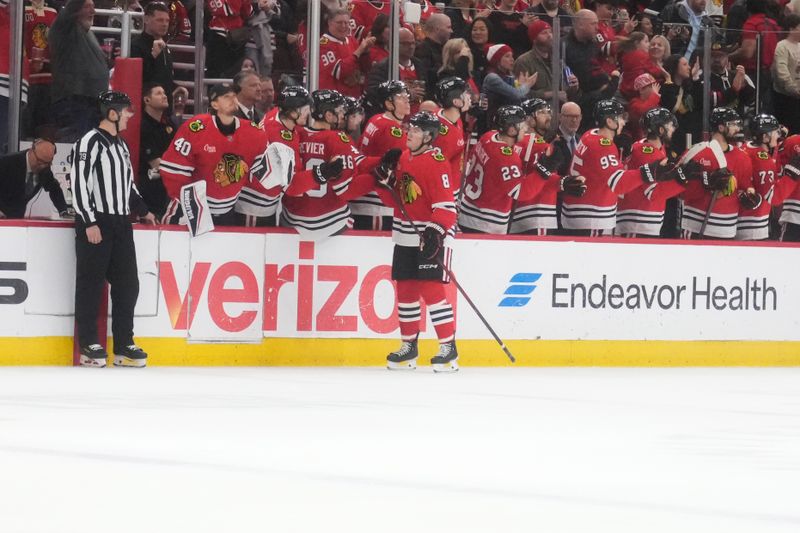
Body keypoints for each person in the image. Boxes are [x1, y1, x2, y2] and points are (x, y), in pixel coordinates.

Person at [71, 91, 156, 368]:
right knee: (91, 284)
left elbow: (128, 184)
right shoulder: (89, 142)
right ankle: (88, 344)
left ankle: (123, 344)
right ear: (112, 113)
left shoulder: (121, 146)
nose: (130, 115)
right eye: (126, 111)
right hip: (98, 221)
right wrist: (88, 221)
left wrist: (143, 210)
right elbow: (79, 182)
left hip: (121, 223)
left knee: (128, 285)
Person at [372, 112, 459, 372]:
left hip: (430, 235)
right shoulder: (405, 157)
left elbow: (447, 207)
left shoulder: (436, 161)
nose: (409, 133)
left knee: (432, 292)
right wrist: (385, 185)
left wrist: (435, 232)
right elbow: (400, 200)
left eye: (416, 130)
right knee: (407, 290)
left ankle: (448, 347)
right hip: (405, 234)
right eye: (409, 128)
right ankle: (409, 346)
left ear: (429, 136)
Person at [562, 99, 690, 236]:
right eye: (621, 118)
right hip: (593, 218)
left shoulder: (590, 135)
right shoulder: (603, 146)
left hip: (586, 214)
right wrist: (674, 177)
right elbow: (619, 184)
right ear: (610, 122)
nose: (624, 122)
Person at [459, 105, 583, 234]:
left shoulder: (488, 137)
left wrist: (559, 181)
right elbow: (520, 192)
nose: (525, 128)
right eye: (522, 125)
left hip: (468, 212)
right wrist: (544, 170)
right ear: (512, 130)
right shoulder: (505, 156)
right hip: (485, 222)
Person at [159, 83, 269, 226]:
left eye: (234, 96)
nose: (232, 99)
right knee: (174, 245)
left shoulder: (254, 132)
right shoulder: (196, 128)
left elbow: (262, 173)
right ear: (215, 105)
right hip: (191, 207)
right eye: (226, 96)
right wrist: (189, 206)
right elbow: (173, 171)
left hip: (227, 210)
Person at [679, 107, 757, 239]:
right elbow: (680, 192)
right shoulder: (695, 153)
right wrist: (706, 185)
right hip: (696, 227)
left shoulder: (742, 157)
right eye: (733, 124)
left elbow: (746, 186)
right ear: (721, 127)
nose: (737, 128)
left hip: (728, 230)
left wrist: (750, 195)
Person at [510, 98, 585, 235]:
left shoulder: (516, 143)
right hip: (538, 212)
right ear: (529, 119)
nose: (548, 116)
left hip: (518, 213)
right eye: (542, 113)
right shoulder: (539, 145)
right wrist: (563, 183)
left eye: (548, 112)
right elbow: (545, 178)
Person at [616, 107, 686, 237]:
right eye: (670, 126)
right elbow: (653, 193)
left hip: (640, 221)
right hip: (638, 222)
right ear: (660, 130)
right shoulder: (647, 152)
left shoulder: (651, 148)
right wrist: (682, 180)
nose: (673, 129)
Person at [353, 81, 411, 230]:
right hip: (376, 204)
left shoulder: (376, 119)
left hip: (363, 197)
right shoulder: (392, 130)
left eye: (406, 95)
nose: (407, 99)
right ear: (389, 103)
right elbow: (401, 166)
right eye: (401, 97)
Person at [49, 0, 109, 143]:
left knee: (87, 146)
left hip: (91, 101)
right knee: (75, 146)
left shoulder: (87, 33)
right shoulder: (64, 28)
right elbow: (71, 7)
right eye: (87, 7)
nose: (92, 12)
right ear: (75, 9)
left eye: (93, 7)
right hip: (74, 101)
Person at [565, 9, 620, 133]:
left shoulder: (593, 43)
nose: (597, 27)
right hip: (583, 101)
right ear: (580, 24)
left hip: (603, 94)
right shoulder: (565, 46)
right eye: (593, 24)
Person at [738, 114, 782, 240]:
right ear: (765, 136)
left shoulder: (745, 147)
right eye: (775, 132)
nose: (778, 136)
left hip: (736, 220)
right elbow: (773, 197)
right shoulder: (762, 159)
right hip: (753, 227)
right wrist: (792, 176)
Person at [0, 138, 69, 219]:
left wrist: (63, 211)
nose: (41, 166)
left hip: (17, 218)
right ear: (31, 151)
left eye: (46, 163)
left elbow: (54, 189)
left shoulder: (45, 170)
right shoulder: (7, 162)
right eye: (39, 162)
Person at [514, 19, 578, 105]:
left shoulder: (558, 60)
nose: (550, 35)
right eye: (544, 33)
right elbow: (519, 92)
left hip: (560, 110)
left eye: (550, 32)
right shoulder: (523, 62)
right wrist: (551, 94)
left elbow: (566, 91)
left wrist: (574, 85)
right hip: (539, 111)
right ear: (534, 39)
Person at [366, 28, 425, 114]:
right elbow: (375, 93)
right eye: (406, 44)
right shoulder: (382, 67)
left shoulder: (419, 65)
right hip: (395, 118)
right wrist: (407, 94)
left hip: (417, 119)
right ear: (394, 44)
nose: (411, 47)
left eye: (413, 43)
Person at [138, 83, 175, 219]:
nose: (164, 96)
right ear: (147, 100)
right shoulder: (143, 126)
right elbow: (156, 163)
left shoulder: (169, 124)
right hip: (150, 189)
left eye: (164, 93)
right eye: (158, 93)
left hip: (167, 188)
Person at [318, 8, 375, 98]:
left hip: (354, 97)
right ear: (329, 23)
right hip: (333, 99)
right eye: (339, 22)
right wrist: (360, 50)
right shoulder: (323, 44)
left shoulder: (351, 39)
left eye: (346, 23)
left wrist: (366, 51)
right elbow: (340, 71)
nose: (344, 26)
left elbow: (364, 68)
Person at [129, 1, 177, 106]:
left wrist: (176, 88)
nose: (164, 24)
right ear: (146, 19)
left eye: (167, 21)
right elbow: (137, 80)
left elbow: (164, 75)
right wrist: (153, 56)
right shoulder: (136, 45)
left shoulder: (164, 46)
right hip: (146, 108)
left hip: (164, 107)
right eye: (159, 20)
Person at [481, 44, 537, 131]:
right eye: (507, 56)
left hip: (511, 121)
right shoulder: (492, 78)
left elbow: (521, 98)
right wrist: (527, 85)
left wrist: (521, 86)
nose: (512, 59)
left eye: (512, 56)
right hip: (495, 123)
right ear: (497, 60)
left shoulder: (510, 76)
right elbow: (517, 94)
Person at [23, 0, 58, 139]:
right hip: (26, 76)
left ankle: (45, 154)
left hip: (49, 76)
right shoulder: (20, 6)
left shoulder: (53, 8)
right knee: (26, 122)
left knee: (46, 124)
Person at [431, 77, 470, 198]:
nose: (469, 97)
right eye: (465, 94)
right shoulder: (441, 135)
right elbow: (435, 170)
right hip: (443, 192)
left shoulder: (454, 118)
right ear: (456, 102)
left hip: (454, 184)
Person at [205, 0, 253, 78]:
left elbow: (247, 12)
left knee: (232, 73)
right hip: (222, 36)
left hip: (232, 37)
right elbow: (232, 10)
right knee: (220, 73)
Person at [772, 14, 800, 134]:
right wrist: (794, 90)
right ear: (791, 29)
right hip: (786, 98)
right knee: (789, 130)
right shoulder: (782, 46)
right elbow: (781, 72)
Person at [415, 13, 453, 94]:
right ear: (437, 29)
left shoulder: (445, 49)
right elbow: (426, 77)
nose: (451, 31)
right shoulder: (423, 49)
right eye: (448, 27)